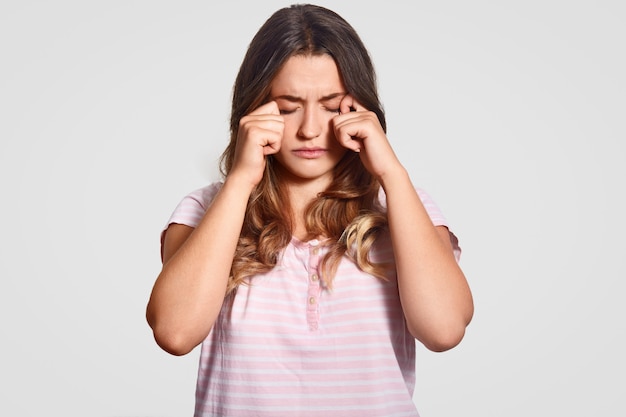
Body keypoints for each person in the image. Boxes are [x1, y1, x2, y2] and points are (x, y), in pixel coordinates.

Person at [146, 4, 473, 416]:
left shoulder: (405, 208)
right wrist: (241, 180)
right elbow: (174, 333)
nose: (309, 129)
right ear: (254, 108)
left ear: (358, 107)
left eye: (332, 104)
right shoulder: (204, 210)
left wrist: (391, 172)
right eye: (287, 106)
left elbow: (444, 330)